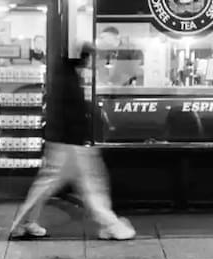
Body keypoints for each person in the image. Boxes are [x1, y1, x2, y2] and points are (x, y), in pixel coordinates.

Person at [9, 43, 136, 240]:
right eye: (91, 57)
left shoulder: (64, 75)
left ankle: (23, 223)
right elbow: (71, 112)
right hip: (70, 144)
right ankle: (112, 225)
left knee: (49, 185)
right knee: (92, 186)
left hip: (63, 142)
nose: (93, 63)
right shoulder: (68, 78)